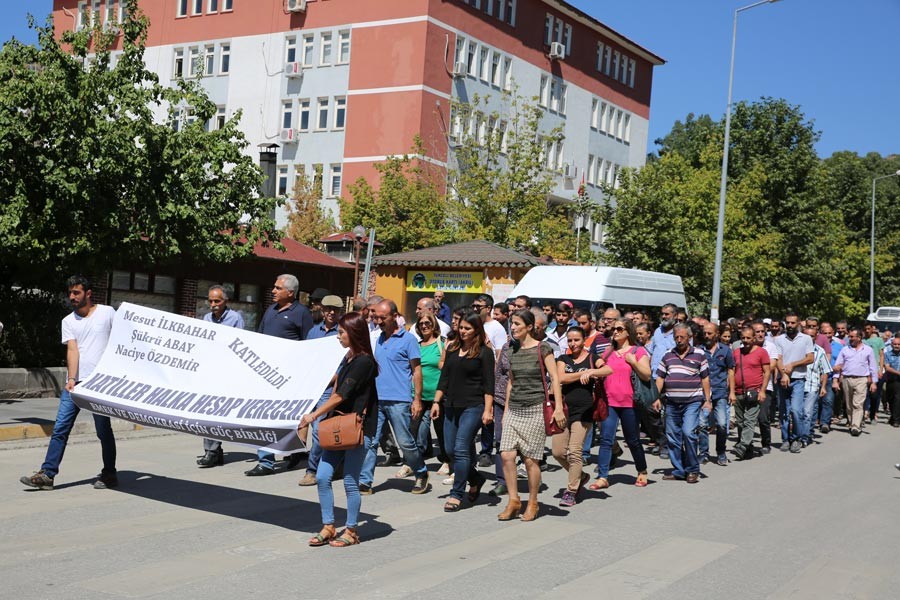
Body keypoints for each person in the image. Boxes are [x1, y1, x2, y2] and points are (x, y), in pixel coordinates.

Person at [20, 275, 118, 491]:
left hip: (101, 384)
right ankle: (47, 474)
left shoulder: (107, 313)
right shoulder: (68, 321)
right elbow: (72, 350)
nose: (72, 297)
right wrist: (71, 379)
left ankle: (110, 473)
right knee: (60, 428)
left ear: (88, 293)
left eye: (77, 293)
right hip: (75, 384)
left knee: (103, 430)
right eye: (70, 293)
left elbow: (121, 340)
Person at [300, 312, 378, 548]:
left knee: (350, 481)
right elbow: (336, 383)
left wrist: (314, 415)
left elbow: (342, 394)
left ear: (353, 333)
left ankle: (352, 530)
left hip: (357, 428)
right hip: (337, 425)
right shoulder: (349, 357)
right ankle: (329, 526)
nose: (338, 337)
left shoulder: (365, 361)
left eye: (342, 332)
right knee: (323, 477)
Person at [498, 309, 563, 522]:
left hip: (535, 407)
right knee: (507, 455)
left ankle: (533, 502)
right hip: (514, 408)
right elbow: (511, 382)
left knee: (530, 460)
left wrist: (559, 408)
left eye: (517, 324)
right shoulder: (510, 350)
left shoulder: (542, 348)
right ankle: (514, 500)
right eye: (512, 324)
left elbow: (554, 378)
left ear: (529, 326)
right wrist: (506, 411)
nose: (513, 327)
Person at [360, 300, 429, 494]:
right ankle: (365, 481)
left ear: (395, 316)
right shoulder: (379, 339)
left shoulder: (408, 340)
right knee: (371, 441)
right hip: (377, 399)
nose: (379, 321)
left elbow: (417, 371)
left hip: (399, 400)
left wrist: (417, 399)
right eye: (376, 317)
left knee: (405, 441)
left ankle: (421, 472)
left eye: (383, 317)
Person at [247, 274, 313, 476]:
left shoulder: (301, 313)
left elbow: (309, 346)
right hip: (265, 375)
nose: (273, 291)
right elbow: (260, 338)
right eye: (273, 287)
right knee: (265, 417)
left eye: (278, 288)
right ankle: (265, 461)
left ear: (290, 293)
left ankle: (292, 450)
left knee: (287, 418)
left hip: (288, 378)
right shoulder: (270, 310)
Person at [431, 312, 495, 511]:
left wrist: (487, 410)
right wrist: (436, 401)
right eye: (461, 327)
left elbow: (488, 384)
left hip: (473, 406)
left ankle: (456, 494)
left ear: (476, 330)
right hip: (450, 405)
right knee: (449, 451)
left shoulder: (484, 352)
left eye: (468, 328)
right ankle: (475, 479)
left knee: (460, 448)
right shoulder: (452, 349)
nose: (463, 331)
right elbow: (444, 379)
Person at [590, 319, 650, 490]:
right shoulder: (609, 352)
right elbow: (599, 365)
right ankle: (603, 476)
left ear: (628, 332)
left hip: (630, 403)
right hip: (610, 402)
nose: (615, 332)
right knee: (606, 439)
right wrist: (598, 364)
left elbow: (646, 375)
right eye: (613, 329)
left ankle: (642, 470)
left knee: (633, 440)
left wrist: (633, 362)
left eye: (619, 329)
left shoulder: (638, 351)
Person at [554, 327, 608, 506]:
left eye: (576, 340)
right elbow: (561, 378)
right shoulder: (563, 359)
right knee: (558, 451)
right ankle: (581, 476)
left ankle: (571, 490)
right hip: (564, 409)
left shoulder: (592, 358)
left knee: (575, 451)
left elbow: (608, 370)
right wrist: (581, 374)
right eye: (570, 340)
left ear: (584, 340)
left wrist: (591, 372)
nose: (573, 343)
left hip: (584, 411)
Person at [298, 295, 345, 486]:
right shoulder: (313, 332)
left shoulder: (341, 333)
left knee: (319, 431)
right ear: (322, 309)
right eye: (328, 308)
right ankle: (332, 465)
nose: (331, 312)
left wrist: (330, 381)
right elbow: (307, 358)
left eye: (335, 309)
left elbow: (343, 365)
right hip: (311, 387)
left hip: (329, 389)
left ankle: (312, 469)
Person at [654, 323, 711, 484]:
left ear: (690, 338)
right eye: (676, 337)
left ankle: (693, 469)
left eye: (682, 337)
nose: (679, 340)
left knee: (688, 433)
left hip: (692, 402)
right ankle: (679, 470)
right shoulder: (668, 355)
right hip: (671, 402)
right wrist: (656, 397)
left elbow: (705, 378)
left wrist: (707, 400)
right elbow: (660, 377)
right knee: (672, 437)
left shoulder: (699, 354)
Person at [197, 285, 245, 468]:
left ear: (225, 301)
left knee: (216, 413)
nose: (213, 304)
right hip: (210, 371)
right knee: (205, 412)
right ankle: (212, 451)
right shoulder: (207, 318)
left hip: (226, 372)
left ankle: (213, 451)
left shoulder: (235, 318)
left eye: (217, 301)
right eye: (210, 301)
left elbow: (241, 343)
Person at [401, 314, 447, 479]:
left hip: (438, 396)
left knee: (441, 431)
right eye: (421, 324)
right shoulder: (416, 345)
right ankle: (410, 463)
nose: (424, 326)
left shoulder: (442, 344)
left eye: (428, 323)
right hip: (418, 396)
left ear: (434, 325)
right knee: (414, 430)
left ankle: (447, 460)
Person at [774, 312, 814, 454]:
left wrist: (794, 364)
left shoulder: (806, 339)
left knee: (796, 410)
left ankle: (796, 438)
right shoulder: (778, 339)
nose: (790, 325)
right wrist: (784, 374)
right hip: (783, 379)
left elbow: (810, 358)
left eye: (792, 323)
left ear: (798, 324)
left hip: (798, 379)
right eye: (788, 323)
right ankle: (786, 439)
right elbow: (777, 359)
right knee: (784, 411)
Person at [698, 323, 735, 467]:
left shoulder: (725, 350)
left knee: (721, 424)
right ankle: (704, 453)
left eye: (709, 333)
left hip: (720, 392)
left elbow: (731, 371)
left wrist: (732, 392)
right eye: (705, 333)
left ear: (717, 334)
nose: (706, 336)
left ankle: (721, 452)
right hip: (703, 394)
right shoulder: (698, 351)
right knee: (702, 424)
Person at [732, 326, 770, 460]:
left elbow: (767, 372)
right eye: (743, 338)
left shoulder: (762, 352)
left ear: (754, 338)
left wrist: (763, 391)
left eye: (749, 338)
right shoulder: (736, 352)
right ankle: (748, 449)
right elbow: (731, 372)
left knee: (749, 420)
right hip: (738, 392)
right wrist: (731, 392)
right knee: (740, 422)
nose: (746, 340)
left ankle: (742, 446)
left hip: (754, 392)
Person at [833, 327, 879, 436]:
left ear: (859, 338)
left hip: (862, 379)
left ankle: (856, 426)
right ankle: (851, 421)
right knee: (849, 404)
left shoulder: (868, 350)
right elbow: (838, 366)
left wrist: (874, 382)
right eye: (849, 337)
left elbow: (873, 367)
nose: (850, 338)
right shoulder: (845, 350)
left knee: (857, 404)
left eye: (853, 337)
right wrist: (835, 380)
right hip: (847, 379)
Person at [801, 323, 832, 446]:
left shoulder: (820, 351)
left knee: (808, 413)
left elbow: (824, 370)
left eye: (812, 336)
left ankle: (805, 436)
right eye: (807, 336)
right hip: (797, 385)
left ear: (816, 337)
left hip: (812, 386)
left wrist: (823, 386)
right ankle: (799, 434)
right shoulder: (797, 349)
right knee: (797, 412)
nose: (809, 339)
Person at [752, 320, 780, 452]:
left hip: (765, 386)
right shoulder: (745, 345)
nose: (761, 334)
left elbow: (772, 365)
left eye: (763, 331)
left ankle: (766, 443)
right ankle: (746, 444)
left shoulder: (770, 346)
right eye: (757, 332)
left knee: (763, 417)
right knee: (747, 418)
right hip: (749, 386)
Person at [863, 322, 886, 424]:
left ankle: (874, 413)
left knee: (875, 394)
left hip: (875, 370)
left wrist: (880, 369)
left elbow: (881, 355)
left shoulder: (878, 340)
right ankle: (864, 413)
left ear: (872, 329)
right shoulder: (862, 340)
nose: (867, 331)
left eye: (869, 329)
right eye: (865, 329)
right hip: (864, 371)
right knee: (864, 393)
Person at [882, 334, 900, 427]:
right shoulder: (887, 354)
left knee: (898, 399)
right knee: (890, 399)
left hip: (899, 382)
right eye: (895, 344)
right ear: (891, 345)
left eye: (899, 344)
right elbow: (887, 367)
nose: (897, 346)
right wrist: (898, 372)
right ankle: (893, 417)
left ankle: (896, 420)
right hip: (891, 379)